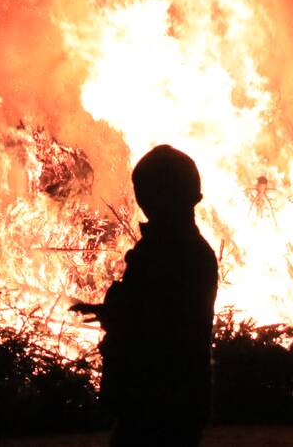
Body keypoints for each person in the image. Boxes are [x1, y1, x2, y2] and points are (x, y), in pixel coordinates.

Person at [72, 145, 218, 447]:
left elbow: (149, 321)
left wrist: (112, 311)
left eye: (146, 193)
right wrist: (109, 310)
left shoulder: (162, 252)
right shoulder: (193, 251)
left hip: (153, 397)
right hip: (180, 396)